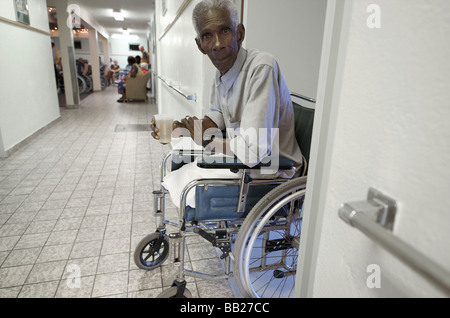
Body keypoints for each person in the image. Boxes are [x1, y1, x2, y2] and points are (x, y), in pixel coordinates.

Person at [152, 0, 302, 207]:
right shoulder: (221, 74)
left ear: (239, 34)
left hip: (273, 169)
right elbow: (218, 116)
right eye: (207, 36)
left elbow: (253, 151)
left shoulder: (261, 67)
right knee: (179, 165)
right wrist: (180, 130)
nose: (217, 44)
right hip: (244, 160)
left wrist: (206, 141)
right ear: (199, 45)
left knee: (190, 182)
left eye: (224, 31)